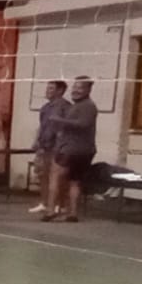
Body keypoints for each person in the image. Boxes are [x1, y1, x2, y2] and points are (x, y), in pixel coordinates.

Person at [45, 76, 99, 224]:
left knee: (56, 176)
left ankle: (51, 210)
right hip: (84, 149)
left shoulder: (87, 106)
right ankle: (72, 213)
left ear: (88, 90)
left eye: (80, 87)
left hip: (71, 149)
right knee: (75, 181)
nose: (75, 90)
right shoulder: (79, 105)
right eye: (74, 87)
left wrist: (59, 120)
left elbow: (83, 124)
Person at [30, 80, 70, 217]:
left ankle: (60, 204)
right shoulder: (45, 107)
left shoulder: (65, 107)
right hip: (44, 145)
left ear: (60, 90)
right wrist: (36, 140)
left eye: (51, 88)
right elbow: (41, 126)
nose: (47, 91)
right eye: (47, 88)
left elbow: (66, 128)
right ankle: (44, 202)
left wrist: (62, 145)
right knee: (43, 174)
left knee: (57, 177)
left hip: (57, 147)